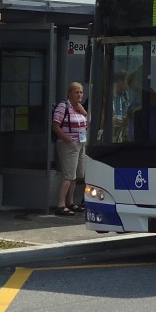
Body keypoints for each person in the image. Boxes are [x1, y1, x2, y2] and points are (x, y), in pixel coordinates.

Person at [51, 81, 89, 216]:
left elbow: (88, 123)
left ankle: (70, 202)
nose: (79, 95)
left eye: (81, 92)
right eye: (76, 92)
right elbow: (55, 126)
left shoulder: (79, 107)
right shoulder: (63, 106)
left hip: (81, 143)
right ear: (69, 93)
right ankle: (60, 204)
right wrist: (68, 140)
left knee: (76, 175)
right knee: (68, 175)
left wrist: (84, 112)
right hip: (68, 145)